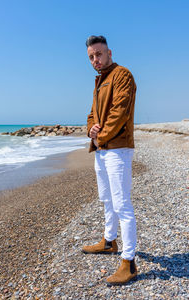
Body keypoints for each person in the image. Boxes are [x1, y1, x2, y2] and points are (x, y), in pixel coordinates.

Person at [82, 35, 137, 286]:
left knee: (122, 204)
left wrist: (100, 135)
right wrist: (91, 129)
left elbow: (119, 112)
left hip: (117, 149)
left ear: (109, 52)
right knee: (106, 199)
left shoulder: (122, 75)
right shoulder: (99, 81)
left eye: (99, 54)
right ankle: (109, 241)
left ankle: (129, 262)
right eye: (92, 56)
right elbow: (92, 114)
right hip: (102, 149)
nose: (96, 60)